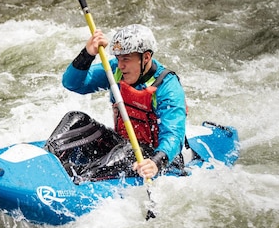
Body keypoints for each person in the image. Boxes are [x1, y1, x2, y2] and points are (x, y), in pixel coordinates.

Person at [60, 24, 187, 180]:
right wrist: (87, 54)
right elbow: (72, 83)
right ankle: (52, 158)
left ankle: (79, 179)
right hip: (122, 145)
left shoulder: (167, 87)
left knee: (126, 151)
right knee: (76, 118)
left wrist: (156, 162)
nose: (120, 65)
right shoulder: (116, 71)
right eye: (118, 58)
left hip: (154, 158)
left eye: (126, 59)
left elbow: (174, 134)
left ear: (146, 57)